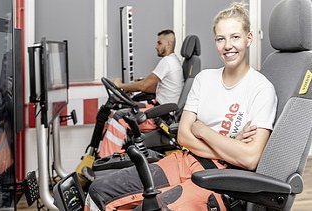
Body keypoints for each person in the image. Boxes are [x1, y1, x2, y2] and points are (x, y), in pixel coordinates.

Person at [86, 1, 278, 210]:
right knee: (98, 191)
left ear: (249, 38)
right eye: (221, 39)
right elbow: (184, 136)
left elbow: (249, 159)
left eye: (235, 37)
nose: (228, 45)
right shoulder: (204, 79)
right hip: (183, 160)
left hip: (220, 179)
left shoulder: (262, 89)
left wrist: (202, 130)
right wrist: (231, 145)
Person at [98, 29, 184, 157]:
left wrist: (120, 85)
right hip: (159, 108)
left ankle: (106, 158)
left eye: (159, 43)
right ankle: (115, 148)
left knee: (119, 118)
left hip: (160, 115)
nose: (156, 46)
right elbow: (151, 88)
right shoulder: (174, 61)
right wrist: (128, 88)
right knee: (119, 111)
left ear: (169, 44)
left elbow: (144, 85)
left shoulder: (168, 62)